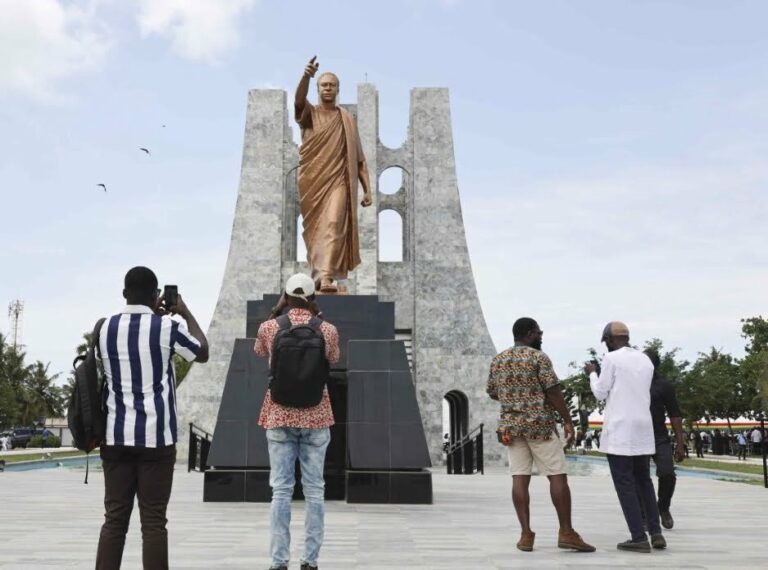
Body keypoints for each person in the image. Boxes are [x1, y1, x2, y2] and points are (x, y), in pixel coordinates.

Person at [95, 266, 209, 570]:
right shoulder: (165, 329)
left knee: (114, 520)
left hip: (115, 438)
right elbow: (202, 351)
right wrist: (183, 312)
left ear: (124, 294)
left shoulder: (104, 328)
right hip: (156, 440)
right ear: (157, 295)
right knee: (154, 523)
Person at [487, 317, 595, 553]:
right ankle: (566, 532)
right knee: (557, 475)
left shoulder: (499, 360)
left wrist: (514, 399)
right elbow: (553, 391)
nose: (541, 336)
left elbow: (493, 392)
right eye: (538, 332)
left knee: (519, 477)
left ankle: (526, 534)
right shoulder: (538, 358)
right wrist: (567, 420)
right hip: (540, 426)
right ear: (528, 334)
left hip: (511, 428)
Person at [255, 273, 340, 570]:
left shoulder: (270, 327)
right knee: (315, 490)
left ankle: (279, 562)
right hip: (317, 415)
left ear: (286, 295)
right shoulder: (327, 329)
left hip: (279, 414)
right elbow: (333, 358)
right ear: (313, 296)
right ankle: (310, 561)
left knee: (281, 490)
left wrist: (276, 312)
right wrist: (318, 316)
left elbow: (260, 351)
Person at [294, 56, 373, 293]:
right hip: (312, 182)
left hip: (338, 180)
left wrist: (367, 188)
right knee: (315, 231)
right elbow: (298, 101)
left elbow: (359, 159)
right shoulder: (310, 114)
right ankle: (318, 276)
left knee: (333, 223)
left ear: (338, 90)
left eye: (332, 85)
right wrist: (306, 76)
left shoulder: (346, 119)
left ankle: (326, 277)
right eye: (323, 85)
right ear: (317, 89)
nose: (328, 88)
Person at [585, 321, 665, 553]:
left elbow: (600, 393)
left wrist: (592, 374)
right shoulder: (645, 360)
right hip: (643, 428)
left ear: (610, 340)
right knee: (644, 481)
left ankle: (638, 537)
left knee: (625, 483)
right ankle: (656, 532)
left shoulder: (611, 359)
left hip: (621, 430)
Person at [642, 349, 686, 530]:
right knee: (640, 477)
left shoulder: (664, 385)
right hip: (638, 437)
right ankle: (645, 515)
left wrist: (680, 444)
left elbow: (675, 414)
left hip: (659, 437)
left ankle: (663, 507)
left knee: (667, 473)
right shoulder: (633, 383)